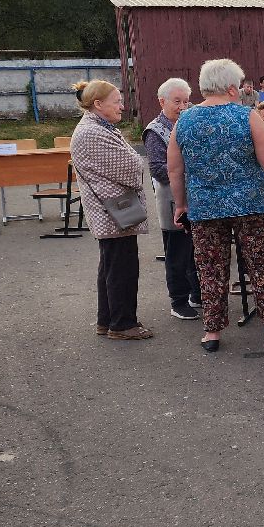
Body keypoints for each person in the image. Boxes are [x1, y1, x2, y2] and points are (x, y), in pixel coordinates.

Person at [168, 58, 264, 354]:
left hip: (204, 207)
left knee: (210, 268)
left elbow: (175, 169)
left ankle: (212, 333)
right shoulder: (247, 117)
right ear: (230, 88)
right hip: (250, 205)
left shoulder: (185, 120)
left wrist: (181, 204)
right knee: (260, 265)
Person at [69, 79, 151, 341]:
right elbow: (131, 168)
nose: (122, 106)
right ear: (98, 104)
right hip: (114, 215)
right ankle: (122, 324)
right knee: (122, 269)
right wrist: (137, 162)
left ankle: (108, 320)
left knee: (111, 267)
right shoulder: (92, 133)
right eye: (117, 101)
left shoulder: (98, 127)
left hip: (112, 213)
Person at [143, 77, 201, 320]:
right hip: (171, 200)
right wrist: (188, 170)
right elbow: (157, 168)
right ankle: (178, 300)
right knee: (177, 252)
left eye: (186, 101)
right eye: (177, 101)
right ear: (162, 101)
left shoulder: (189, 123)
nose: (183, 106)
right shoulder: (155, 130)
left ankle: (197, 294)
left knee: (196, 250)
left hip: (195, 198)